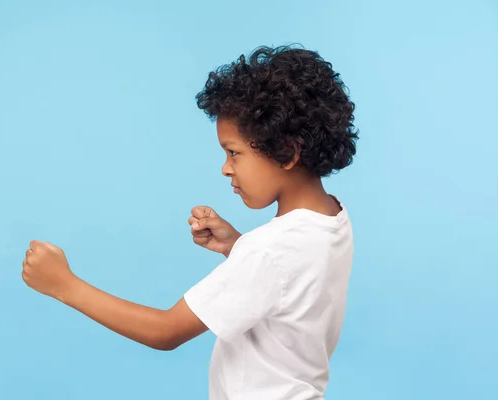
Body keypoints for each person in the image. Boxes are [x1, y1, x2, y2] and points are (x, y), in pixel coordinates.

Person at [22, 44, 359, 400]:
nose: (226, 168)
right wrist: (236, 247)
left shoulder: (267, 252)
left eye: (234, 152)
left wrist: (64, 284)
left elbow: (166, 331)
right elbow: (292, 283)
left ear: (288, 153)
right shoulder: (332, 218)